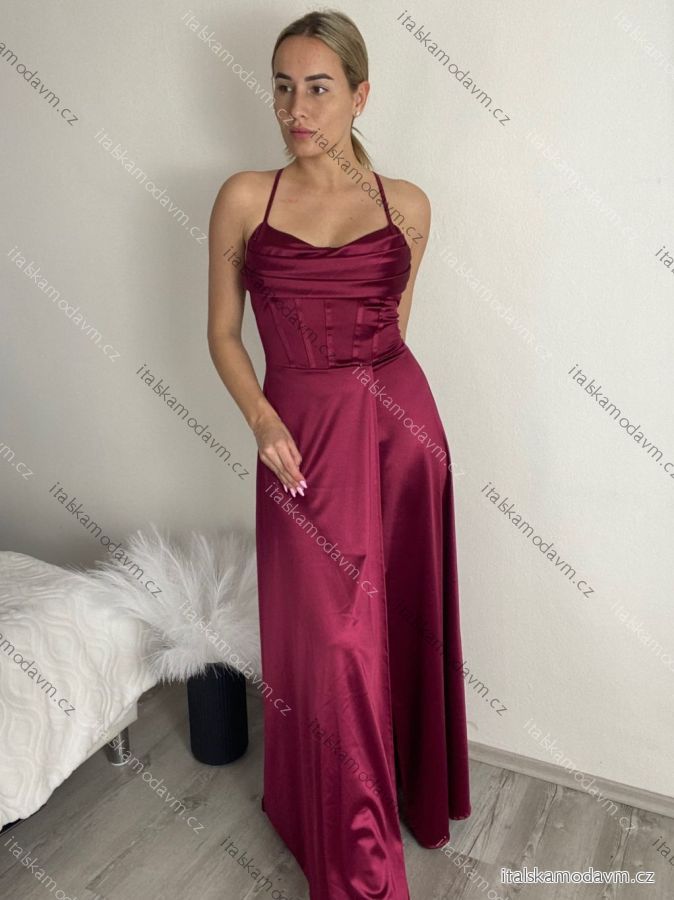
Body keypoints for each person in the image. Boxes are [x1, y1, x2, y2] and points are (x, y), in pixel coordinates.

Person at [207, 9, 470, 898]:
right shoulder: (246, 197)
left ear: (360, 96)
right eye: (283, 87)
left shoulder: (409, 206)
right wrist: (262, 419)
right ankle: (351, 856)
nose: (296, 109)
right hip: (300, 440)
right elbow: (222, 334)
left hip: (402, 438)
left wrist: (393, 426)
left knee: (397, 626)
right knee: (329, 641)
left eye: (318, 88)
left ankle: (401, 792)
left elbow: (395, 333)